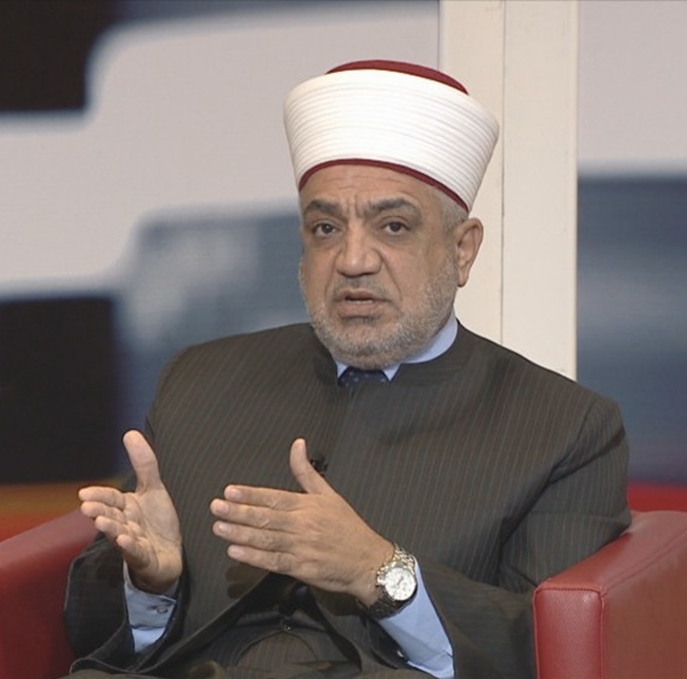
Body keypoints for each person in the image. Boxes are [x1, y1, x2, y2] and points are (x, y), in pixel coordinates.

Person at [61, 60, 629, 679]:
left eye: (394, 226)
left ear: (462, 249)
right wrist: (153, 585)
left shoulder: (564, 428)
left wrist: (378, 572)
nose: (354, 259)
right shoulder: (200, 379)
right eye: (326, 227)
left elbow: (544, 650)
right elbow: (88, 633)